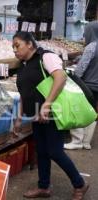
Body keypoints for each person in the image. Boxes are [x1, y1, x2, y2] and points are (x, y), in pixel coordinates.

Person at [12, 32, 89, 199]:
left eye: (17, 45)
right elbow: (23, 94)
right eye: (13, 47)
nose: (15, 50)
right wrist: (19, 118)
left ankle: (80, 184)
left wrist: (46, 105)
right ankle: (44, 187)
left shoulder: (45, 57)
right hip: (36, 116)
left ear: (30, 44)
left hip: (53, 112)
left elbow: (60, 77)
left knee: (55, 151)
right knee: (42, 151)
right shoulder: (23, 65)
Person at [64, 21, 98, 150]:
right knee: (92, 111)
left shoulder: (91, 47)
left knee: (78, 109)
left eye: (86, 31)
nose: (85, 34)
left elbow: (81, 69)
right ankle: (86, 142)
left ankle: (77, 141)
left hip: (87, 85)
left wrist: (73, 76)